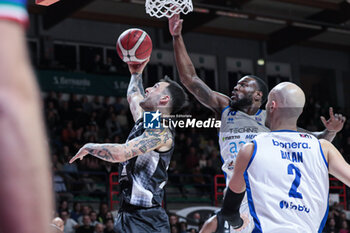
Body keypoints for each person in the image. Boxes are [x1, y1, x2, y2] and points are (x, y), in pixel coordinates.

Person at [168, 14, 346, 233]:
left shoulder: (272, 120)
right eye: (237, 85)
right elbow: (190, 79)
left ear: (258, 96)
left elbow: (312, 144)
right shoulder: (224, 107)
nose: (235, 88)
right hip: (236, 188)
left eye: (243, 85)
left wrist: (330, 131)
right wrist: (177, 36)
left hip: (263, 191)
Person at [70, 59, 188, 232]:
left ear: (164, 99)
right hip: (127, 214)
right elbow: (133, 96)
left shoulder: (161, 131)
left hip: (147, 221)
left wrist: (89, 147)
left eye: (155, 87)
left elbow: (122, 153)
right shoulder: (150, 121)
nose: (147, 89)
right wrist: (135, 73)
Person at [217, 82, 349, 232]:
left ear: (272, 106)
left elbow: (228, 212)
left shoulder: (251, 149)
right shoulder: (323, 148)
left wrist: (238, 224)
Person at [0, 1, 53, 233]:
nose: (152, 89)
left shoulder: (154, 124)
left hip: (148, 215)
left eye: (158, 87)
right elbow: (9, 100)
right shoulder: (146, 114)